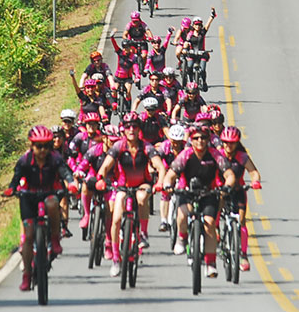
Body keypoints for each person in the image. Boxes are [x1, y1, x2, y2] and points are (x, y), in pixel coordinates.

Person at [3, 125, 78, 291]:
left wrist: (72, 183)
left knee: (52, 203)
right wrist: (11, 189)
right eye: (38, 146)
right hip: (28, 197)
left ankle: (55, 238)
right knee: (28, 237)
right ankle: (27, 275)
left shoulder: (56, 158)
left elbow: (66, 173)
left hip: (50, 193)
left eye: (46, 145)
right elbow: (15, 179)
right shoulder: (24, 161)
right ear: (31, 146)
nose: (42, 150)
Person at [97, 114, 167, 276]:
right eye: (128, 126)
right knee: (115, 219)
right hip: (122, 186)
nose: (131, 130)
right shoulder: (118, 147)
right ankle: (115, 258)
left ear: (139, 128)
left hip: (142, 184)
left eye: (134, 126)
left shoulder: (147, 147)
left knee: (142, 198)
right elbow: (105, 166)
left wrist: (160, 183)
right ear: (123, 129)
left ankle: (143, 233)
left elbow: (160, 167)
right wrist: (100, 179)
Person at [162, 125, 235, 278]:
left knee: (209, 224)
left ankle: (210, 263)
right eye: (196, 138)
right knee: (182, 214)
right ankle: (182, 238)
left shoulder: (215, 155)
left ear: (208, 140)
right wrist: (167, 185)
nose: (200, 141)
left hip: (209, 192)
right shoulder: (185, 154)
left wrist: (227, 187)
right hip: (187, 191)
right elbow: (170, 174)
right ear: (191, 140)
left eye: (203, 138)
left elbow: (229, 175)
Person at [219, 126, 261, 271]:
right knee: (215, 212)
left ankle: (243, 254)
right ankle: (217, 235)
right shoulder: (218, 156)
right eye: (225, 142)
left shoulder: (242, 157)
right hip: (221, 191)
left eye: (232, 142)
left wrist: (255, 182)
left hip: (238, 191)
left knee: (241, 221)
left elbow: (254, 172)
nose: (228, 146)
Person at [155, 123, 188, 232]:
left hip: (182, 172)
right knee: (165, 193)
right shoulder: (164, 146)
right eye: (173, 141)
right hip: (167, 170)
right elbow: (157, 159)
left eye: (178, 142)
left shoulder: (186, 147)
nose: (175, 144)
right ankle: (164, 220)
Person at [181, 8, 217, 91]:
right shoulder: (190, 34)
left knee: (203, 69)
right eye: (196, 25)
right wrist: (184, 49)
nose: (198, 26)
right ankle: (190, 81)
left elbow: (208, 24)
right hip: (192, 54)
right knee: (189, 67)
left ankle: (204, 82)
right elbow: (186, 42)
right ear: (193, 25)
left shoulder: (202, 33)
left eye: (199, 25)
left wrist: (212, 16)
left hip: (202, 54)